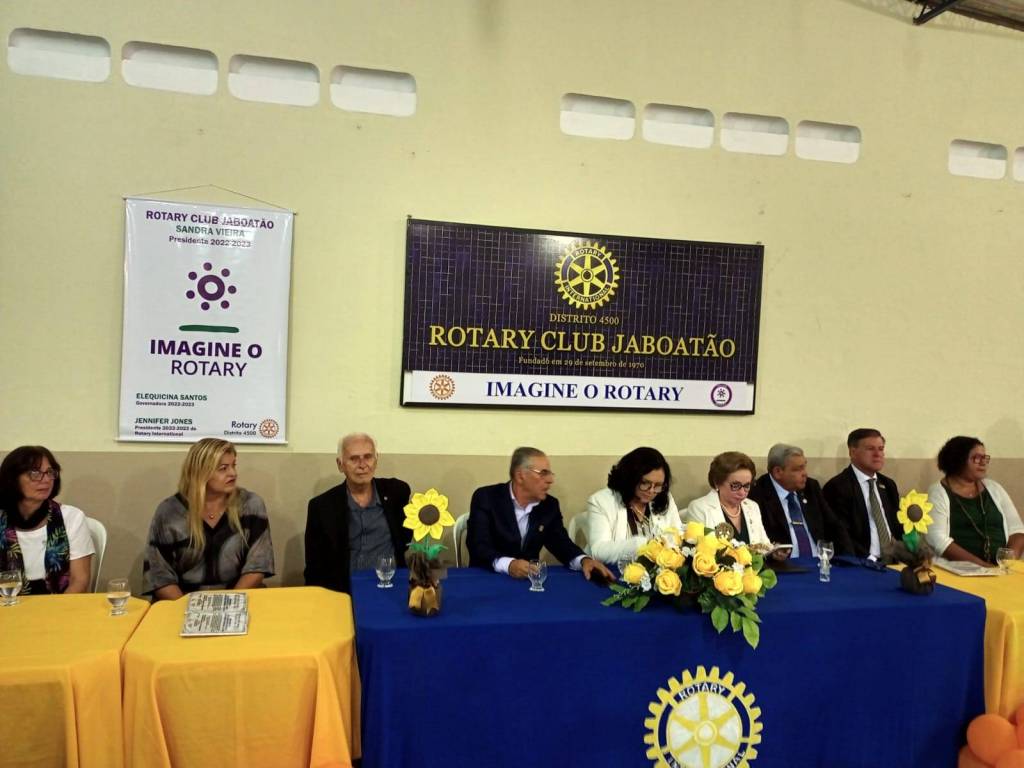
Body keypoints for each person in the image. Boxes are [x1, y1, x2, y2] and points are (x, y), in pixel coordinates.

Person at [144, 438, 274, 599]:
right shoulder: (169, 511)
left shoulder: (250, 504)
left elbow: (257, 567)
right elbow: (160, 576)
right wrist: (187, 608)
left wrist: (228, 604)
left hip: (239, 599)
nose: (233, 473)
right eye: (223, 468)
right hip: (183, 602)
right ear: (200, 473)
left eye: (233, 465)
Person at [467, 446, 614, 582]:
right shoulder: (486, 497)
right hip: (486, 578)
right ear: (520, 476)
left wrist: (584, 560)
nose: (550, 480)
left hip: (528, 582)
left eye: (549, 474)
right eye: (543, 473)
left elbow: (561, 543)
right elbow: (478, 546)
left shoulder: (549, 506)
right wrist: (509, 565)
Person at [305, 433, 412, 593]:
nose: (362, 465)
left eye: (368, 457)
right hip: (343, 591)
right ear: (340, 464)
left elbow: (406, 538)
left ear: (376, 460)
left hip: (390, 586)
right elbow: (314, 566)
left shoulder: (397, 493)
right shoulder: (321, 506)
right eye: (354, 459)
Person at [0, 446, 93, 594]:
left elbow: (79, 581)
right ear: (13, 478)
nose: (46, 479)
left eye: (50, 472)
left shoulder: (71, 517)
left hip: (59, 603)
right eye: (35, 473)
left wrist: (58, 608)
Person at [925, 436, 1024, 566]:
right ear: (958, 460)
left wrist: (1007, 563)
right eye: (976, 458)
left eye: (985, 458)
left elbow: (1017, 531)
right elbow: (937, 539)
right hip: (959, 571)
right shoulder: (938, 492)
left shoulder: (994, 488)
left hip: (1001, 569)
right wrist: (983, 567)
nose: (983, 462)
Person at [748, 443, 853, 558]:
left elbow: (835, 527)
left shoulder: (811, 487)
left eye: (804, 467)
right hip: (784, 563)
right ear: (778, 472)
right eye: (798, 469)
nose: (805, 474)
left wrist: (850, 558)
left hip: (819, 560)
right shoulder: (757, 495)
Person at [584, 446, 683, 565]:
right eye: (645, 483)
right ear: (630, 478)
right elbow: (599, 551)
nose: (651, 491)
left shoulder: (664, 498)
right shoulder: (601, 501)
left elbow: (679, 536)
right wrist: (644, 545)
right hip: (614, 571)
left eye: (658, 485)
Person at [822, 428, 901, 560]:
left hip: (894, 560)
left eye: (881, 449)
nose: (877, 454)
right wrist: (870, 560)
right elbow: (841, 535)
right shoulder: (837, 487)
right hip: (862, 561)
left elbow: (898, 527)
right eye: (870, 449)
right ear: (853, 452)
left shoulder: (888, 485)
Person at [683, 452, 770, 546]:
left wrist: (774, 551)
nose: (742, 492)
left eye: (746, 486)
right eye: (735, 486)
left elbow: (765, 545)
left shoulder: (752, 506)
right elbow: (699, 548)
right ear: (717, 483)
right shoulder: (699, 508)